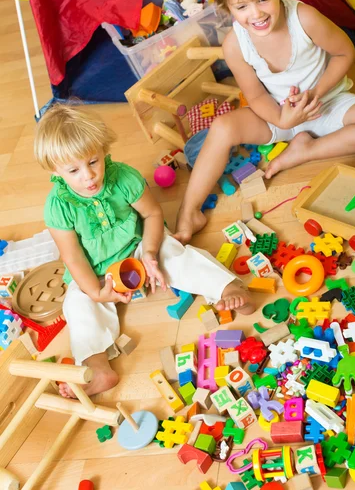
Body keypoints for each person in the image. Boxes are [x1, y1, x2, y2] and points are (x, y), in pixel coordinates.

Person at [175, 0, 355, 244]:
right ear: (227, 7)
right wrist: (283, 120)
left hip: (325, 103)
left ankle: (306, 151)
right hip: (276, 116)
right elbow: (255, 97)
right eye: (242, 6)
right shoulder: (234, 45)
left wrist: (316, 94)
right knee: (222, 126)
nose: (256, 14)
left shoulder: (303, 18)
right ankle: (189, 211)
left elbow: (344, 53)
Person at [34, 104, 254, 397]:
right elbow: (72, 257)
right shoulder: (57, 206)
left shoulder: (123, 177)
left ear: (103, 149)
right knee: (76, 304)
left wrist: (149, 252)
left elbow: (152, 215)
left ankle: (227, 287)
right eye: (74, 170)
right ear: (55, 170)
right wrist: (97, 292)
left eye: (93, 162)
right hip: (96, 270)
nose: (88, 176)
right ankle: (97, 366)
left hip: (138, 245)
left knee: (174, 254)